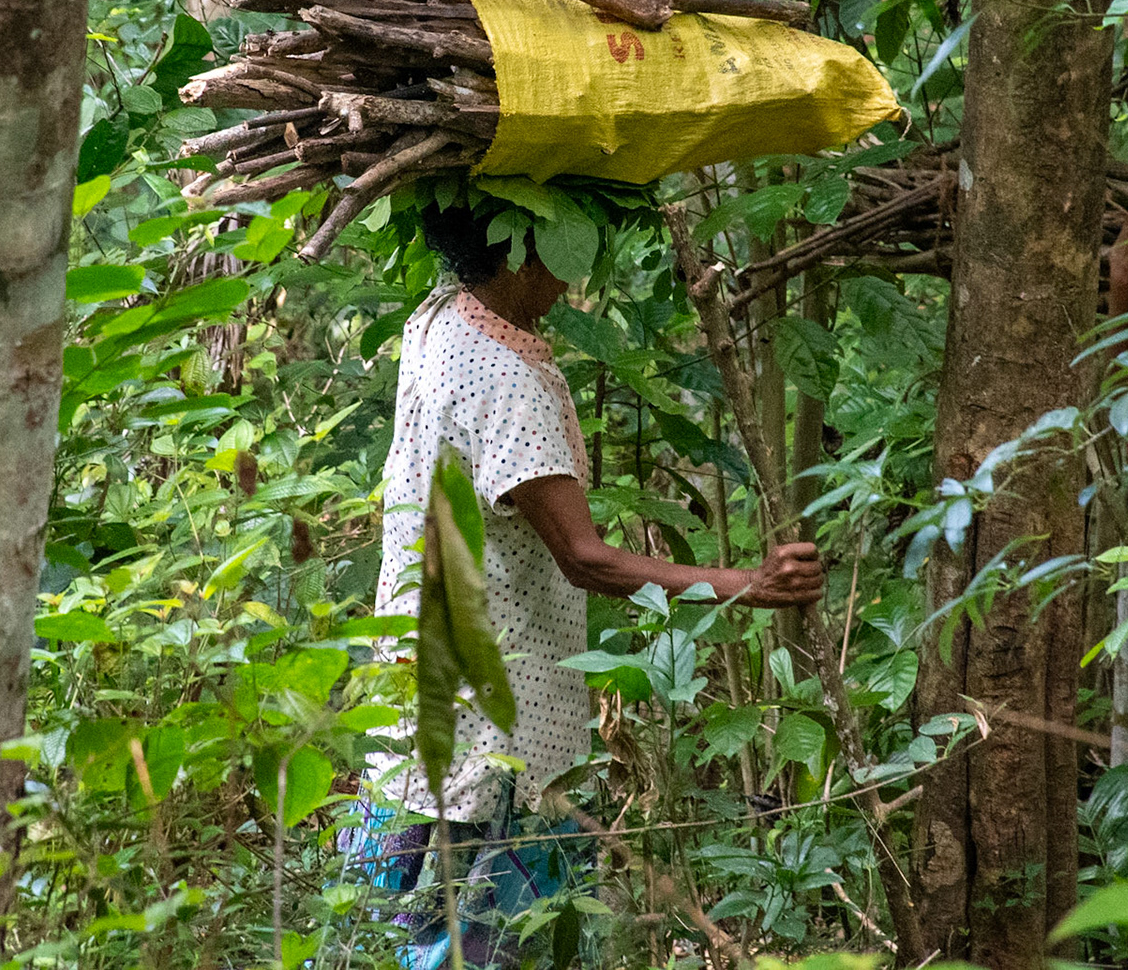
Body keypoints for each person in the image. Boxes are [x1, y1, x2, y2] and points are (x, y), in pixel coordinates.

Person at [342, 200, 823, 969]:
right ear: (523, 246)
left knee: (390, 924)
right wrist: (750, 584)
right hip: (494, 707)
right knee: (490, 937)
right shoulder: (504, 379)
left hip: (421, 670)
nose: (575, 273)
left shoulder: (440, 319)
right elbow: (584, 557)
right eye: (569, 244)